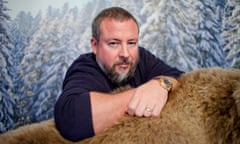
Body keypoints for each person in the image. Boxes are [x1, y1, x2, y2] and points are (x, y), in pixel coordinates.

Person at [54, 7, 184, 142]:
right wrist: (142, 94)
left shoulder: (141, 57)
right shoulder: (85, 67)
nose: (126, 54)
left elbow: (179, 77)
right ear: (94, 45)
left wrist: (160, 85)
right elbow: (70, 117)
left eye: (132, 43)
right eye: (114, 43)